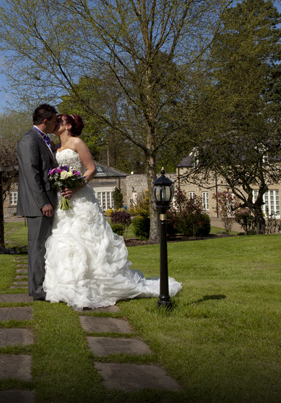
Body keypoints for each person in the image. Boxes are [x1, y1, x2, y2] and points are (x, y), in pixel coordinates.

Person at [43, 114, 183, 310]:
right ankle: (68, 285)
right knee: (65, 240)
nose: (55, 124)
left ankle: (96, 285)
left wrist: (75, 187)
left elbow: (91, 169)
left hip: (80, 198)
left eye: (59, 121)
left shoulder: (77, 142)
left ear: (68, 126)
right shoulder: (55, 147)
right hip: (63, 200)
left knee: (88, 240)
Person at [16, 104, 59, 301]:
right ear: (46, 121)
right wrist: (43, 203)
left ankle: (43, 285)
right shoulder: (29, 140)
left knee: (43, 246)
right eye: (55, 121)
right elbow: (31, 174)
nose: (56, 124)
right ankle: (37, 290)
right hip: (38, 205)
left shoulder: (43, 139)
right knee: (37, 247)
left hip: (46, 201)